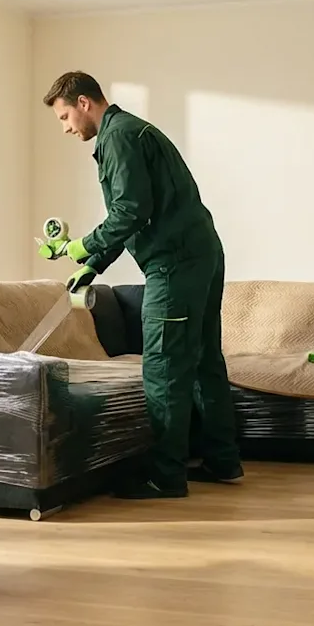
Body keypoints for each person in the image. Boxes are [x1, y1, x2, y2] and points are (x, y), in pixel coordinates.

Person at [40, 70, 243, 500]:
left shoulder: (116, 138)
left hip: (174, 264)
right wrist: (93, 265)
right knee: (205, 359)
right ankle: (223, 461)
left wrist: (80, 247)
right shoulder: (134, 130)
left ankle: (165, 477)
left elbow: (131, 210)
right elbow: (138, 215)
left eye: (63, 117)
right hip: (202, 253)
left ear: (83, 103)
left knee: (165, 368)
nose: (65, 128)